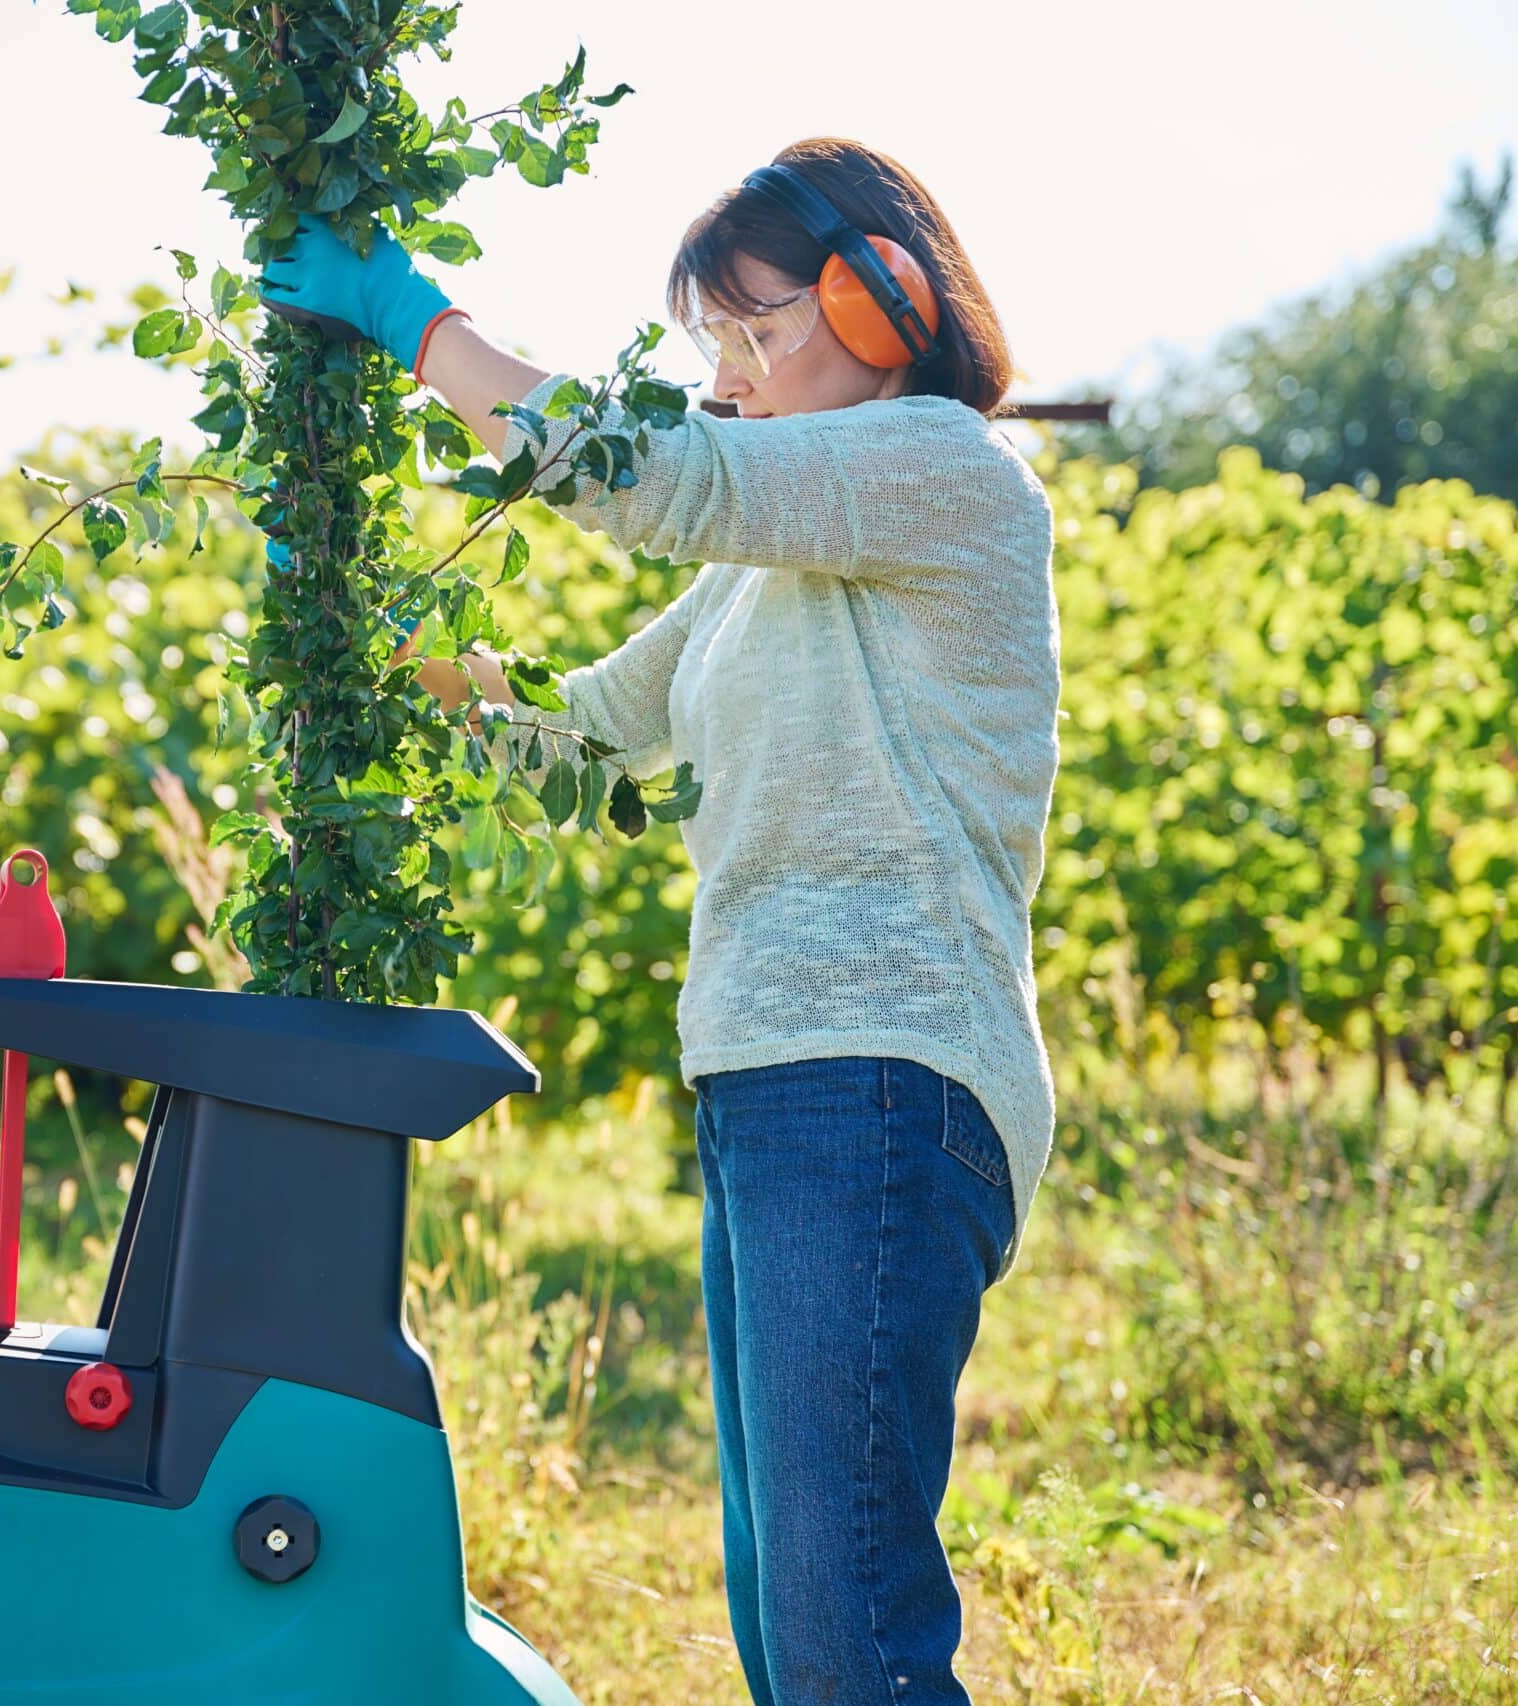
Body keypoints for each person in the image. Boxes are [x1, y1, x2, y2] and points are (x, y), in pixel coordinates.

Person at [260, 136, 1059, 1706]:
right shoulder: (763, 571)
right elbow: (577, 741)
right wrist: (362, 629)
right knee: (790, 1608)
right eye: (716, 344)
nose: (730, 377)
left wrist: (419, 325)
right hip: (771, 1075)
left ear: (885, 300)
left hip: (884, 1065)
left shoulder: (944, 470)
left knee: (846, 1629)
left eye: (759, 331)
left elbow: (655, 478)